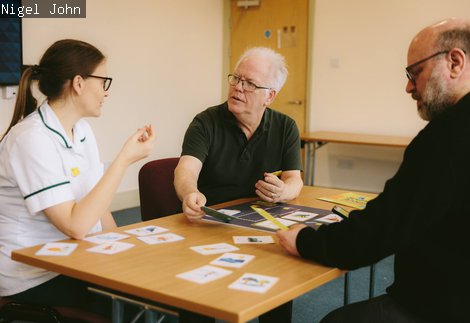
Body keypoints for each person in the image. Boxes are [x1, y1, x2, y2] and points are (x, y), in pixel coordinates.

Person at [277, 18, 470, 323]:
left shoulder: (449, 134)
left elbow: (384, 227)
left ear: (455, 62)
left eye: (414, 72)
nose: (408, 86)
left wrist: (306, 241)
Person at [0, 39, 155, 318]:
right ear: (79, 83)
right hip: (31, 275)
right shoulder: (31, 139)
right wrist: (123, 160)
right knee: (139, 305)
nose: (106, 92)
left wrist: (125, 248)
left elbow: (97, 205)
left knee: (153, 285)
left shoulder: (81, 130)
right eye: (103, 81)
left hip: (76, 259)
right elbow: (76, 225)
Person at [174, 47, 303, 322]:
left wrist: (284, 191)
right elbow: (185, 170)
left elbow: (295, 180)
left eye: (250, 83)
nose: (238, 88)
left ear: (270, 95)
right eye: (236, 79)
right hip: (210, 223)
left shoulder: (286, 126)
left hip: (258, 221)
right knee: (200, 294)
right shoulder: (205, 122)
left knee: (281, 272)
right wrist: (190, 192)